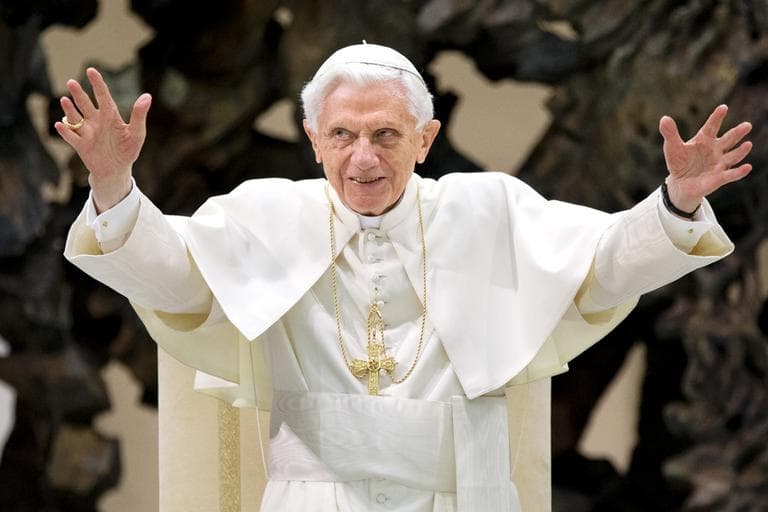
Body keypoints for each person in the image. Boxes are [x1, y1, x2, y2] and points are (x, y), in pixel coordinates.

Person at [59, 43, 752, 511]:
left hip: (460, 495)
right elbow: (176, 284)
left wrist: (677, 203)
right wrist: (115, 184)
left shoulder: (489, 211)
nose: (363, 157)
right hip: (316, 498)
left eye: (386, 135)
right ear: (313, 138)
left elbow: (601, 268)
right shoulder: (263, 216)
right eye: (342, 135)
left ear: (424, 138)